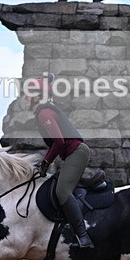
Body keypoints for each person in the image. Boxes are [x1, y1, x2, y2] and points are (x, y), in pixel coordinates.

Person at [24, 75, 94, 248]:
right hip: (72, 154)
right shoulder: (44, 112)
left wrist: (45, 163)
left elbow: (59, 142)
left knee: (62, 191)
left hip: (76, 152)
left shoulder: (44, 113)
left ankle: (83, 237)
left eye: (28, 94)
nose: (25, 98)